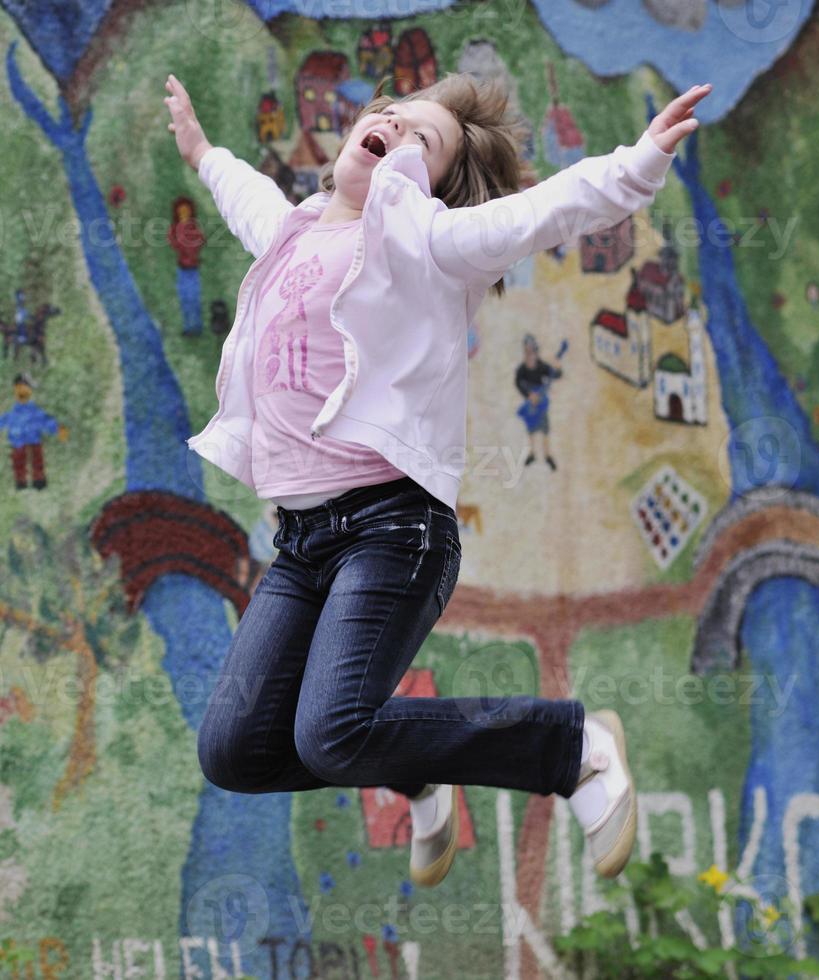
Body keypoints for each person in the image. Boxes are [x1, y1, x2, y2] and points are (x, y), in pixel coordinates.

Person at [166, 69, 707, 885]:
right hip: (303, 543)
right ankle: (415, 766)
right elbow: (249, 199)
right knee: (234, 751)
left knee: (330, 732)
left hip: (392, 531)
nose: (394, 129)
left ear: (435, 186)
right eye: (387, 117)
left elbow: (540, 212)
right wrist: (203, 150)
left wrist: (637, 163)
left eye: (425, 139)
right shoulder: (294, 231)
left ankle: (574, 747)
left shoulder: (429, 245)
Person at [515, 333, 566, 470]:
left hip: (541, 404)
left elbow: (556, 375)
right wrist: (529, 395)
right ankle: (532, 454)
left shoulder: (542, 367)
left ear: (536, 352)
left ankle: (547, 455)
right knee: (531, 429)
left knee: (545, 429)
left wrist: (558, 367)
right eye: (527, 352)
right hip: (531, 405)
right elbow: (518, 383)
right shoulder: (522, 370)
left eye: (532, 352)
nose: (530, 355)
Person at [169, 196, 207, 335]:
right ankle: (188, 326)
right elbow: (173, 242)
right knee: (185, 298)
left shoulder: (193, 228)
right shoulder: (175, 228)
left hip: (193, 268)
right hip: (182, 268)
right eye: (181, 211)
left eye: (186, 211)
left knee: (194, 298)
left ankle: (196, 326)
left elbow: (200, 240)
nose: (184, 214)